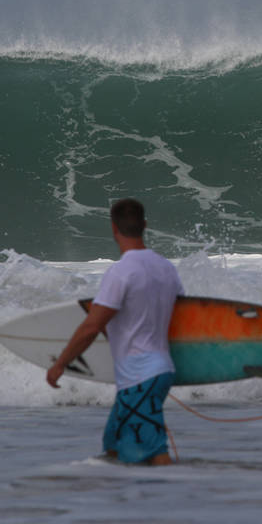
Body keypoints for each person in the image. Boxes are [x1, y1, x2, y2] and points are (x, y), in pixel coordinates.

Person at [46, 198, 183, 465]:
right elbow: (176, 319)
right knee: (114, 448)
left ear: (113, 228)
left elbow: (91, 327)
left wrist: (60, 364)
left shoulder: (121, 272)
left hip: (141, 377)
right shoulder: (166, 268)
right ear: (144, 225)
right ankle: (124, 499)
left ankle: (177, 497)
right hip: (153, 372)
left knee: (152, 455)